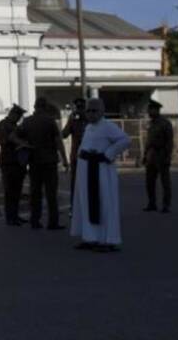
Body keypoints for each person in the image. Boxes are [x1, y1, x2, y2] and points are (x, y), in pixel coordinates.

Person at [71, 98, 131, 252]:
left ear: (102, 112)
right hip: (85, 170)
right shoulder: (89, 127)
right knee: (85, 204)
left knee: (104, 203)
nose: (91, 114)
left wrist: (108, 154)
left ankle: (107, 240)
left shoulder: (108, 126)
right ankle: (90, 238)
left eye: (94, 111)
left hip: (101, 170)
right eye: (89, 111)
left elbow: (125, 140)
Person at [23, 98, 69, 230]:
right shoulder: (50, 122)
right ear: (44, 107)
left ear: (35, 106)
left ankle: (35, 221)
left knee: (35, 192)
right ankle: (53, 222)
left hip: (33, 161)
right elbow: (58, 142)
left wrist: (24, 145)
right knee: (51, 193)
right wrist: (65, 160)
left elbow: (15, 136)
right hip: (49, 161)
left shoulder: (27, 122)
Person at [0, 103, 29, 226]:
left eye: (20, 116)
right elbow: (5, 140)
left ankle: (15, 215)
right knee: (10, 191)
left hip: (18, 162)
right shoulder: (3, 125)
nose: (19, 118)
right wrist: (20, 143)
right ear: (12, 114)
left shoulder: (15, 126)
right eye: (18, 115)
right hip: (8, 161)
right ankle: (10, 217)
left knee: (17, 190)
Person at [143, 99, 174, 212]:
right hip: (151, 155)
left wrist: (168, 156)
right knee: (149, 182)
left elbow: (169, 141)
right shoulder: (152, 124)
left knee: (165, 182)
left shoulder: (165, 123)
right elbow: (149, 141)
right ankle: (152, 203)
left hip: (162, 154)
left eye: (150, 110)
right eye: (148, 110)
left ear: (156, 110)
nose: (149, 112)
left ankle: (166, 205)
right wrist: (145, 155)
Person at [61, 98, 87, 204]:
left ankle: (75, 205)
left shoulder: (73, 118)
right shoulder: (90, 117)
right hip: (89, 154)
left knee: (75, 182)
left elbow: (64, 134)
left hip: (76, 154)